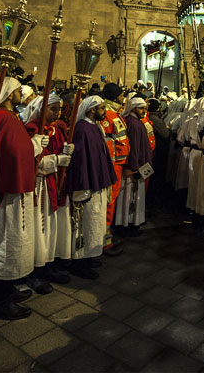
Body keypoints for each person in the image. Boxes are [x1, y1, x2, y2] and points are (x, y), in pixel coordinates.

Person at [0, 77, 42, 320]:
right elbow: (14, 153)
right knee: (7, 242)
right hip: (8, 192)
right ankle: (1, 301)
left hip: (14, 190)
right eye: (17, 91)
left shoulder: (8, 117)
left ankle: (8, 289)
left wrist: (31, 144)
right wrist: (33, 146)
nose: (21, 94)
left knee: (13, 241)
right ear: (7, 94)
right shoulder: (3, 118)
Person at [23, 94, 73, 284]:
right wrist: (56, 160)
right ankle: (36, 267)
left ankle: (49, 262)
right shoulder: (32, 130)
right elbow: (29, 161)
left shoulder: (57, 129)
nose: (57, 113)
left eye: (59, 109)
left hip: (53, 182)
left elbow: (60, 150)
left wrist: (65, 152)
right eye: (53, 109)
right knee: (39, 225)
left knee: (51, 226)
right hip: (39, 185)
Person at [66, 96, 117, 278]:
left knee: (95, 222)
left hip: (98, 183)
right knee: (85, 224)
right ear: (92, 110)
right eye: (102, 108)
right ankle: (80, 262)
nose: (104, 111)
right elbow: (81, 161)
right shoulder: (82, 129)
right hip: (88, 186)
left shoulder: (94, 127)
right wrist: (84, 186)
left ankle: (90, 256)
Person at [114, 96, 153, 236]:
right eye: (141, 108)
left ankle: (130, 223)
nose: (144, 111)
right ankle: (128, 224)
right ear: (134, 108)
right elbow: (134, 148)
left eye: (145, 108)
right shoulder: (134, 123)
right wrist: (135, 167)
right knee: (129, 197)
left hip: (136, 166)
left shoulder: (135, 121)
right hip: (134, 168)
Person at [99, 83, 127, 255]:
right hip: (112, 166)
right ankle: (104, 242)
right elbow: (107, 142)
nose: (123, 97)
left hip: (117, 165)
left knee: (111, 203)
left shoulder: (114, 113)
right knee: (108, 204)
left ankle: (107, 237)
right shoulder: (107, 115)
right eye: (121, 94)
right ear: (115, 96)